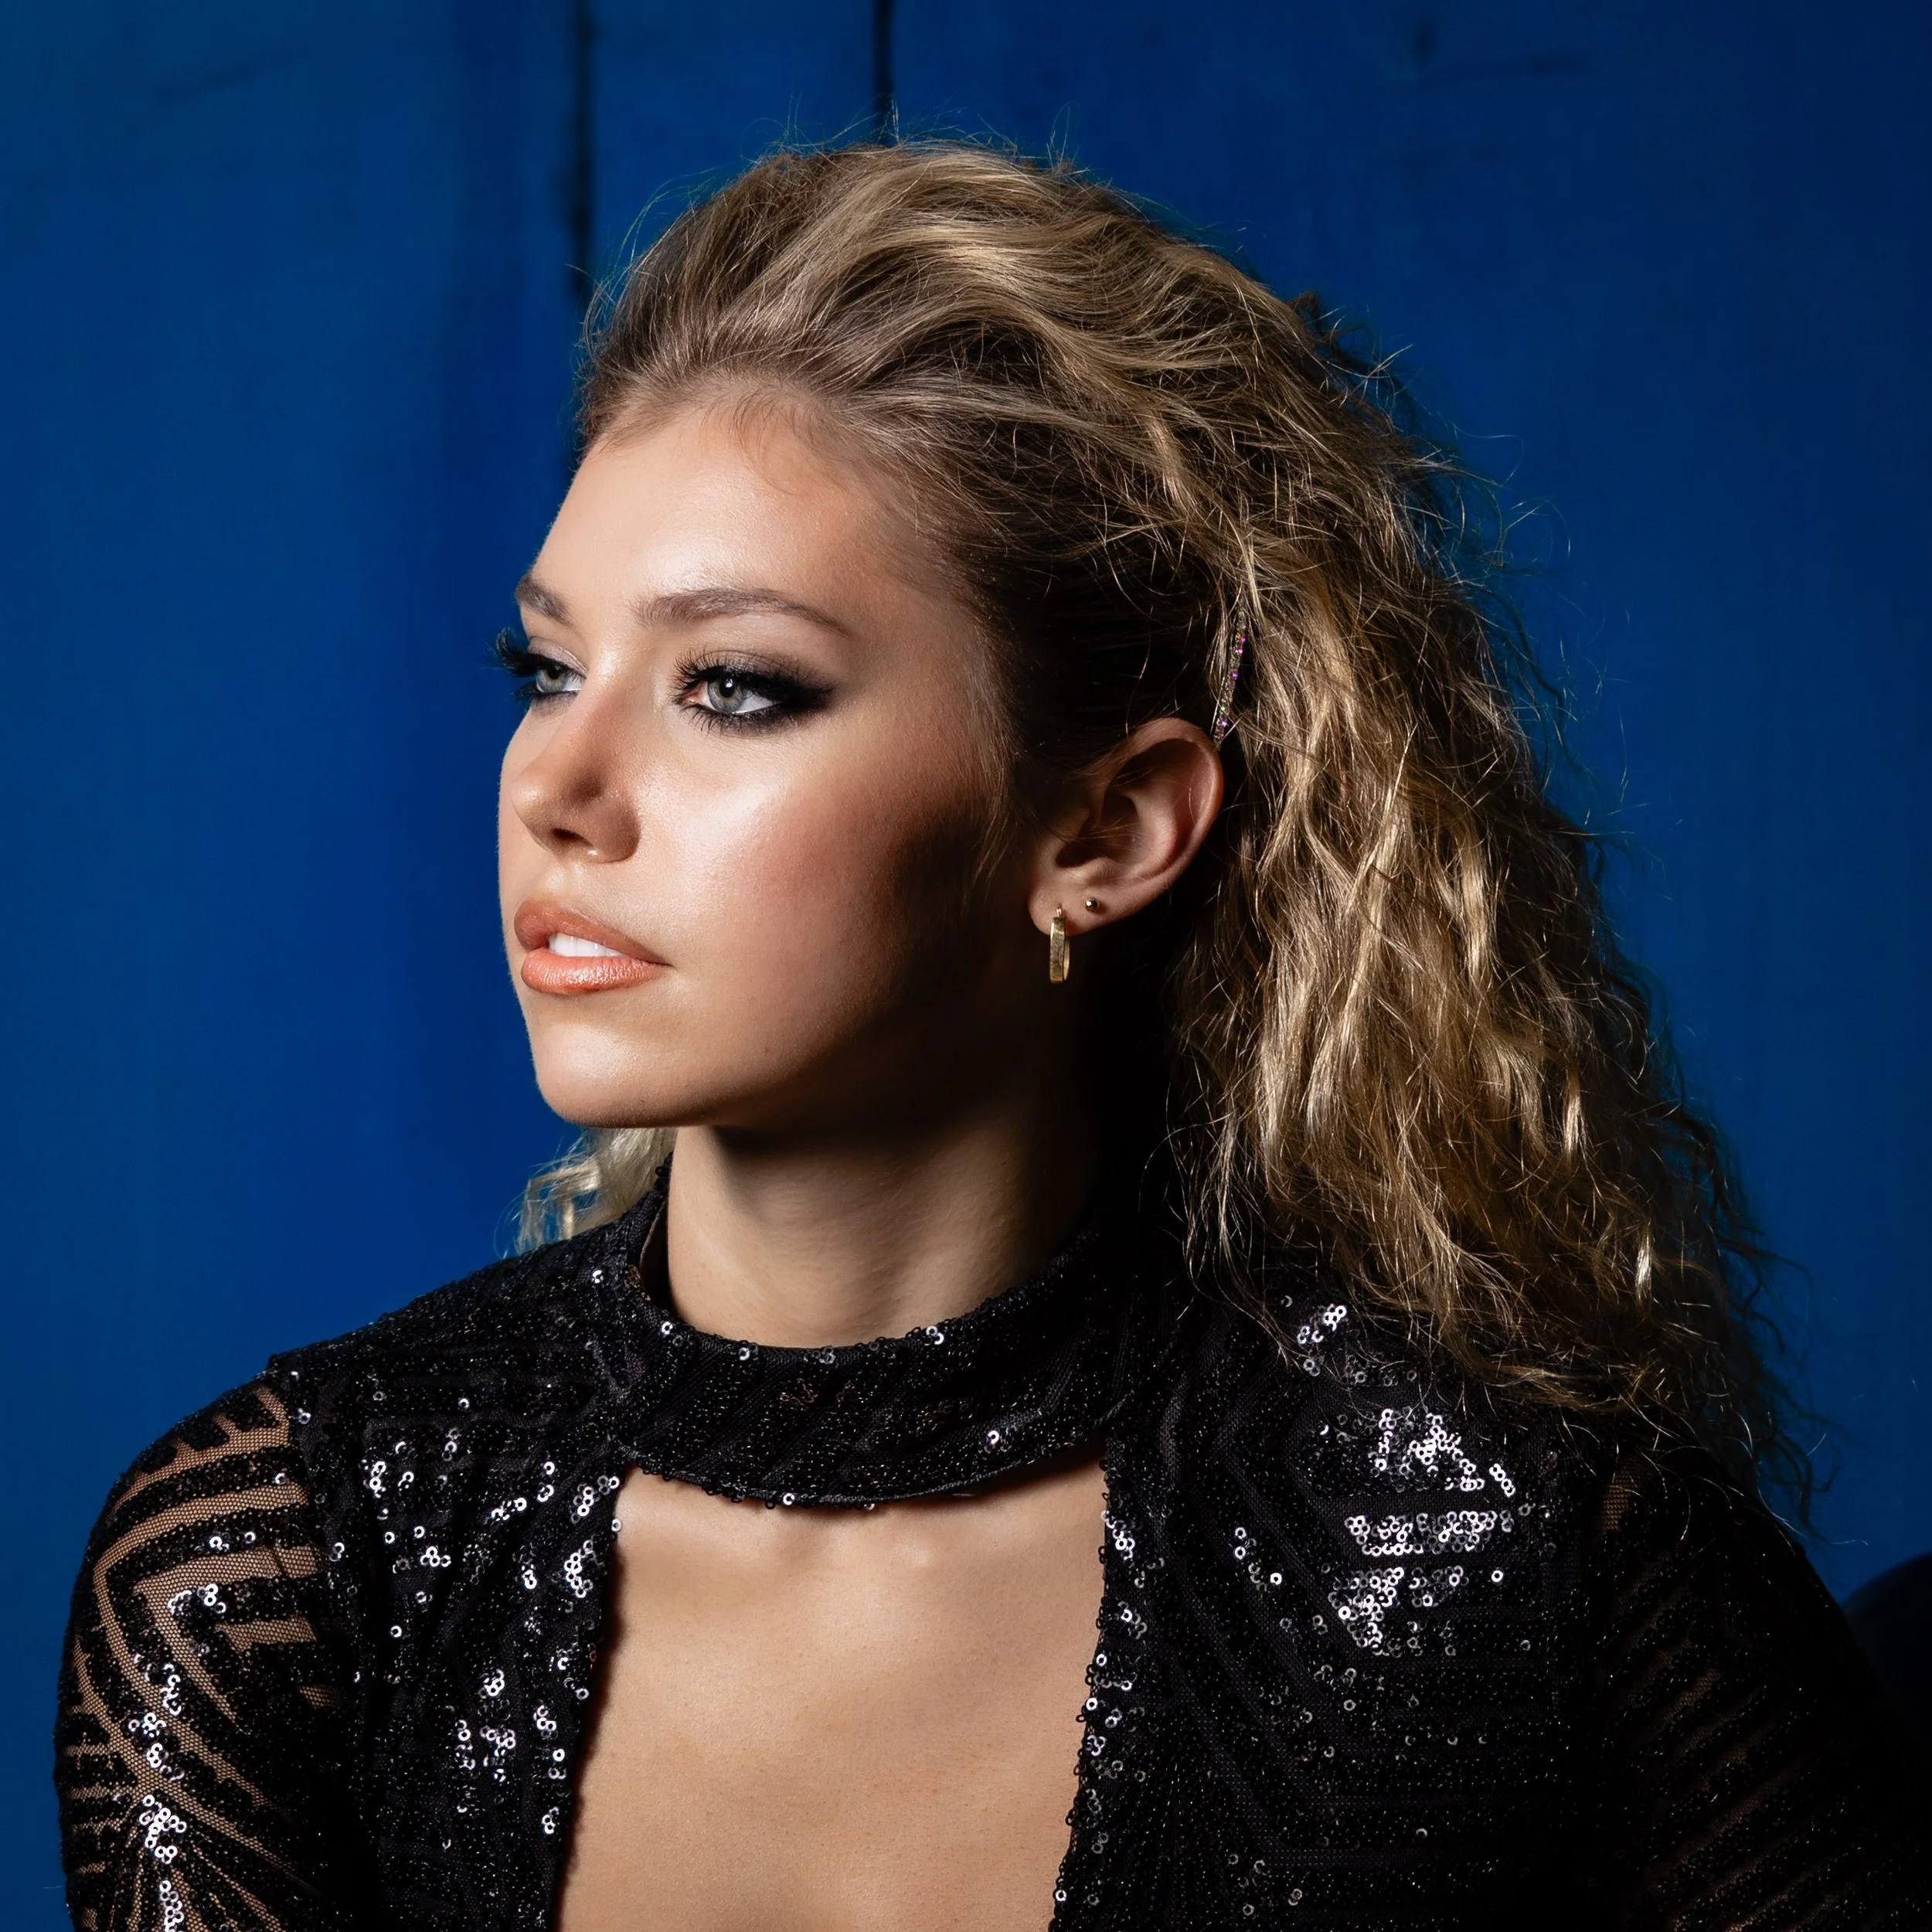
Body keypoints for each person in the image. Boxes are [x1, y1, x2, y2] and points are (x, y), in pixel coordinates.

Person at [53, 139, 1930, 1932]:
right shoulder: (273, 1569)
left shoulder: (1527, 1558)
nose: (558, 779)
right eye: (546, 665)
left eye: (736, 685)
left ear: (1100, 832)